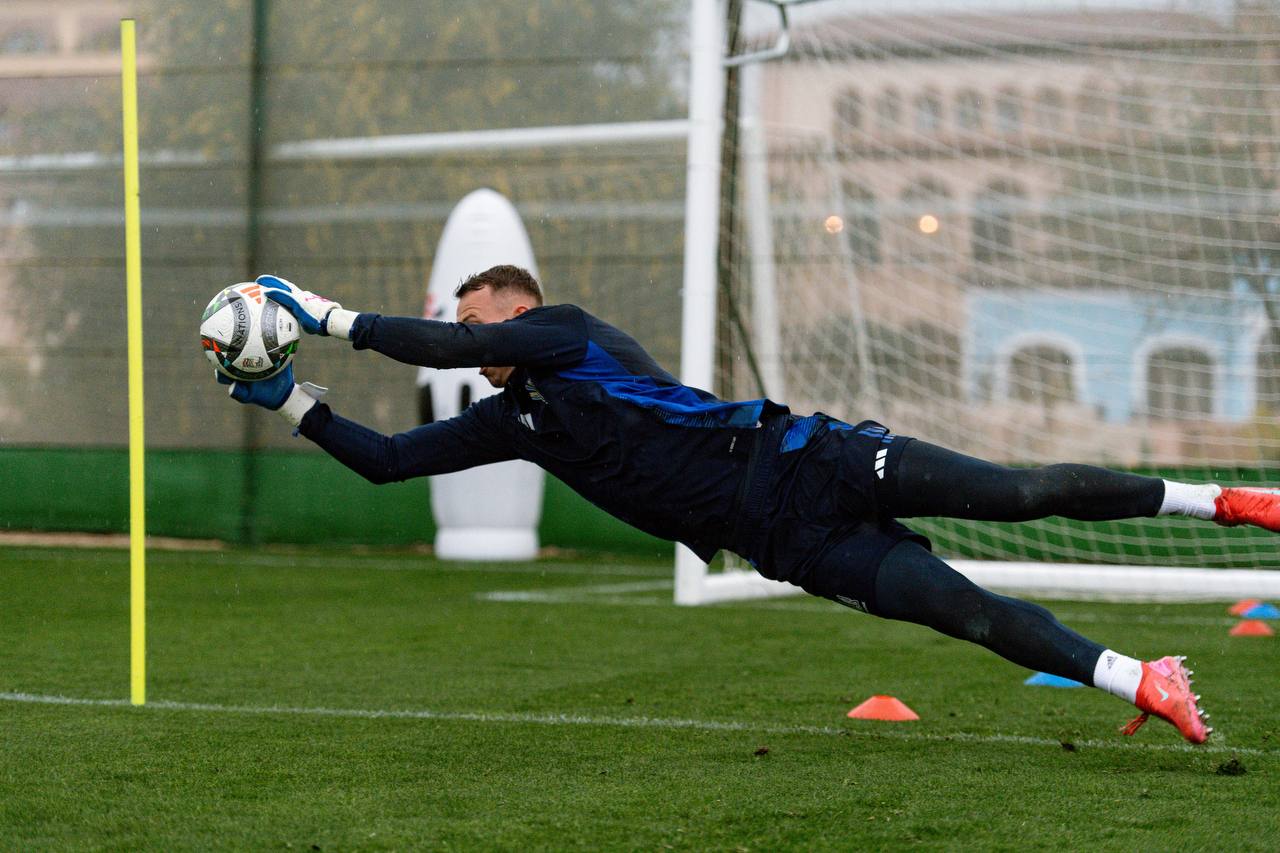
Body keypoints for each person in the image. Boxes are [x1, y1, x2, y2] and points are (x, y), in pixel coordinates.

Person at [214, 266, 1276, 745]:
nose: (461, 325)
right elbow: (389, 459)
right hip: (782, 539)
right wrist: (289, 396)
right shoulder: (511, 421)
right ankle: (1145, 678)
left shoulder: (565, 333)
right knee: (967, 613)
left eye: (475, 309)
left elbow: (447, 344)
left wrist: (323, 313)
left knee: (1014, 493)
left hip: (807, 457)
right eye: (460, 316)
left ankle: (1225, 501)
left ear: (517, 311)